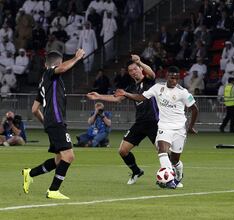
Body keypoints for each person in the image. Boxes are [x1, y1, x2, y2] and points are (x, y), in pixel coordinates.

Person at [114, 66, 199, 189]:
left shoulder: (183, 92)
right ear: (167, 77)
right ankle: (169, 180)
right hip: (164, 126)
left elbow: (195, 109)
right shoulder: (157, 88)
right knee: (162, 150)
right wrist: (126, 93)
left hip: (179, 129)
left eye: (176, 78)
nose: (173, 80)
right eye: (171, 77)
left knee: (175, 160)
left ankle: (178, 173)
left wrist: (191, 126)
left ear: (178, 79)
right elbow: (141, 97)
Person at [22, 48, 85, 200]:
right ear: (58, 63)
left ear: (45, 64)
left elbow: (34, 109)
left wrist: (46, 123)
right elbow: (62, 68)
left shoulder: (44, 83)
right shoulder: (51, 74)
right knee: (69, 156)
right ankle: (53, 190)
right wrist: (76, 58)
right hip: (56, 122)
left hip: (52, 123)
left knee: (59, 160)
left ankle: (29, 173)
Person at [86, 54, 157, 185]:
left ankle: (173, 174)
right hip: (140, 123)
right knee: (123, 150)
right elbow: (116, 98)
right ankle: (136, 171)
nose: (133, 72)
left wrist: (140, 62)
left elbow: (152, 73)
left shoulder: (149, 81)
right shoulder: (130, 87)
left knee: (163, 151)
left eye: (135, 69)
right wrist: (98, 96)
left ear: (141, 69)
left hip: (154, 122)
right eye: (130, 71)